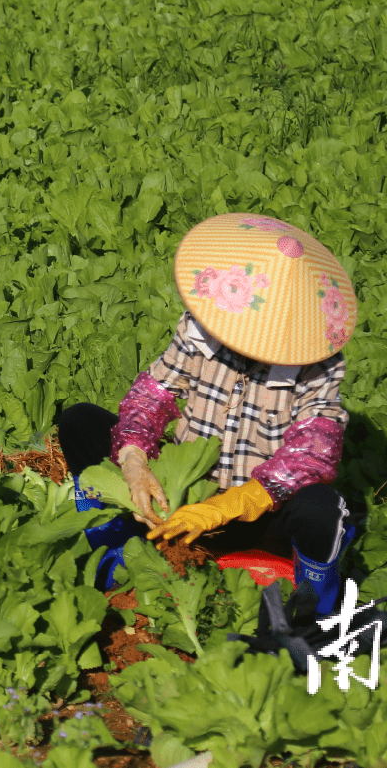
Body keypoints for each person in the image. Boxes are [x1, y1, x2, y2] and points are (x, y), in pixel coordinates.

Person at [57, 213, 357, 615]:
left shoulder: (319, 365)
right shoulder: (201, 331)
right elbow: (152, 396)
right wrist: (133, 461)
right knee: (80, 422)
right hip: (179, 500)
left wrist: (224, 508)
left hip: (258, 514)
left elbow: (312, 454)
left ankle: (313, 608)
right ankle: (115, 541)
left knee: (322, 505)